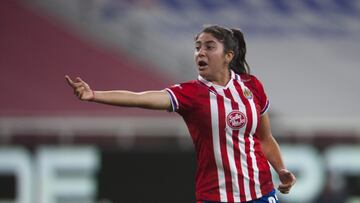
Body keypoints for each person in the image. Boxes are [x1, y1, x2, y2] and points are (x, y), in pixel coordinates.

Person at [65, 25, 296, 203]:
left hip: (262, 193)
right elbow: (140, 98)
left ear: (229, 55)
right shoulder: (190, 94)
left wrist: (281, 169)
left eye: (209, 46)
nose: (200, 53)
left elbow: (265, 138)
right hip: (216, 196)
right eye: (197, 47)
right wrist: (94, 94)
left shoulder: (251, 85)